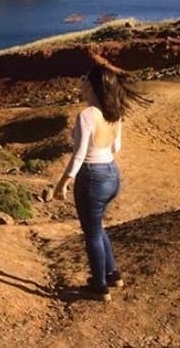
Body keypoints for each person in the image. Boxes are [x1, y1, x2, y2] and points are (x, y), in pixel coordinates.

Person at [55, 63, 148, 301]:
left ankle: (99, 286)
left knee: (91, 234)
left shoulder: (87, 115)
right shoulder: (114, 112)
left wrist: (63, 182)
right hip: (112, 175)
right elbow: (116, 147)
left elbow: (79, 154)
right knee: (98, 228)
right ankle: (112, 273)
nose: (81, 82)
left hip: (91, 177)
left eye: (84, 78)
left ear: (92, 84)